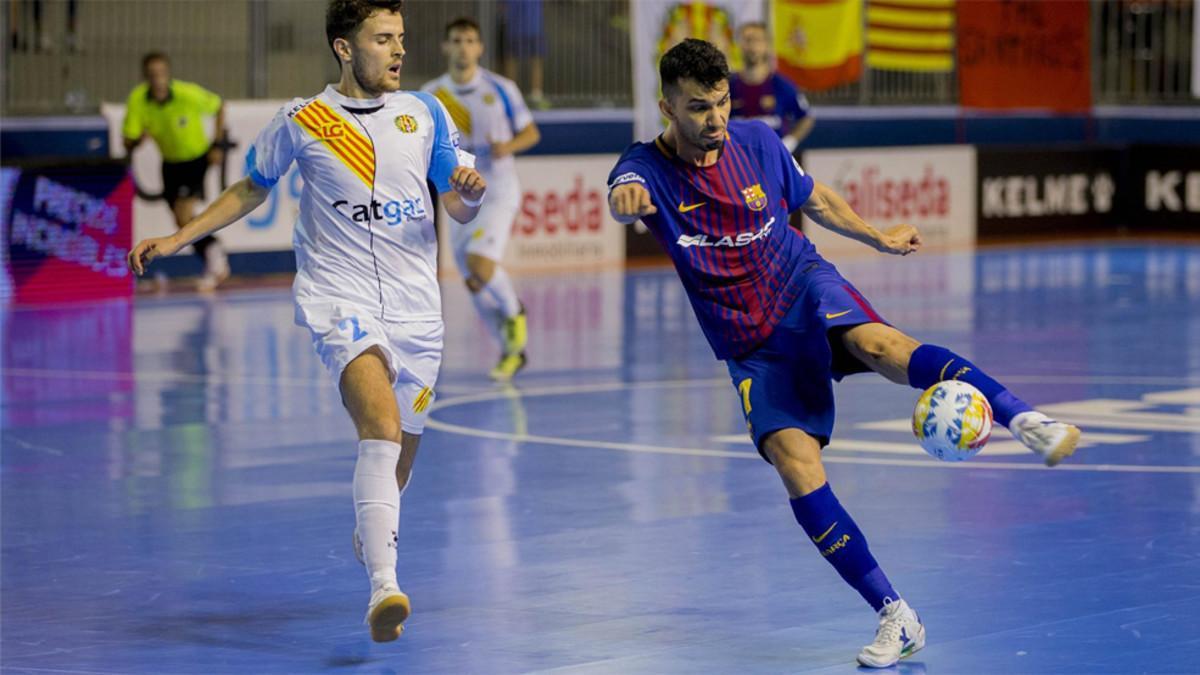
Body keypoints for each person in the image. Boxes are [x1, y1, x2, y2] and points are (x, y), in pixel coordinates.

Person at [607, 39, 1081, 669]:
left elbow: (814, 199)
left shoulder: (756, 141)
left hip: (801, 284)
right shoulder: (645, 167)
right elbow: (622, 191)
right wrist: (625, 203)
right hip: (749, 342)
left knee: (879, 344)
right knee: (795, 466)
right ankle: (896, 615)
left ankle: (1027, 420)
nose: (714, 119)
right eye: (697, 108)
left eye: (720, 103)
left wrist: (877, 237)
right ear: (665, 106)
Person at [127, 0, 487, 642]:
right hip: (340, 299)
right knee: (378, 424)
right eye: (383, 39)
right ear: (344, 48)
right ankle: (385, 587)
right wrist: (179, 238)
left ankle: (372, 530)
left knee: (399, 465)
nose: (399, 50)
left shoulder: (424, 113)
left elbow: (455, 208)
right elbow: (252, 187)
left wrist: (466, 189)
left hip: (418, 313)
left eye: (401, 37)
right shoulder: (304, 118)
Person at [421, 16, 540, 380]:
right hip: (456, 195)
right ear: (446, 47)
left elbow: (531, 133)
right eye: (456, 40)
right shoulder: (431, 95)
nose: (463, 47)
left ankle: (515, 311)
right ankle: (512, 351)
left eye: (470, 40)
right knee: (473, 280)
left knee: (481, 264)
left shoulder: (501, 88)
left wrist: (508, 146)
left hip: (497, 191)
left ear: (480, 48)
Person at [122, 52, 230, 292]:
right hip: (169, 163)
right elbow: (128, 140)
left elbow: (219, 106)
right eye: (152, 75)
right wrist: (138, 138)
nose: (158, 80)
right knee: (179, 218)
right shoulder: (138, 100)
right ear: (146, 77)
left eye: (161, 74)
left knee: (184, 215)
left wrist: (217, 144)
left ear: (167, 74)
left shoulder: (186, 93)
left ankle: (216, 259)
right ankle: (213, 252)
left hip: (195, 159)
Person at [729, 22, 814, 155]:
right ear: (738, 44)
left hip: (772, 159)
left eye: (757, 40)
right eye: (747, 40)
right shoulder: (727, 86)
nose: (752, 46)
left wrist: (789, 142)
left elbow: (806, 118)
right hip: (735, 160)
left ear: (767, 45)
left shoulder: (782, 85)